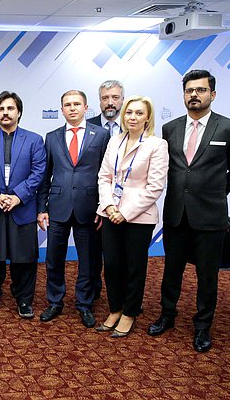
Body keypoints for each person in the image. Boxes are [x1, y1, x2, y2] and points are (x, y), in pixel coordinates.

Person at [148, 69, 230, 352]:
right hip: (176, 214)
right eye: (189, 91)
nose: (194, 95)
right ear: (183, 95)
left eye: (200, 90)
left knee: (207, 276)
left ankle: (202, 327)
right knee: (171, 271)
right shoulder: (171, 128)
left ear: (212, 94)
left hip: (210, 216)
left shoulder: (229, 128)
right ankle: (167, 315)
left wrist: (213, 193)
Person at [96, 95, 168, 337]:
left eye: (138, 113)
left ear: (147, 117)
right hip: (110, 212)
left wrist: (124, 213)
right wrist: (108, 207)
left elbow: (154, 187)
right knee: (112, 266)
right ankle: (115, 308)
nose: (133, 117)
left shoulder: (157, 145)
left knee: (134, 266)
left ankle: (130, 312)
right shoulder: (114, 141)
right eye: (129, 112)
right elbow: (104, 177)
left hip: (138, 217)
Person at [36, 90, 109, 328]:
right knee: (53, 258)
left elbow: (106, 175)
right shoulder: (52, 136)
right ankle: (55, 302)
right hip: (57, 207)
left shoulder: (101, 135)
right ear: (62, 109)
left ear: (86, 107)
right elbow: (45, 176)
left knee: (88, 260)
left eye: (77, 104)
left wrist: (102, 207)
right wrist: (41, 207)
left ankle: (84, 304)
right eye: (67, 104)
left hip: (88, 208)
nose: (72, 108)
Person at [0, 91, 46, 318]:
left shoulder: (34, 139)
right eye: (1, 109)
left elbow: (38, 172)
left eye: (10, 108)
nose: (5, 113)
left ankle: (24, 300)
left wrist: (16, 196)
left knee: (24, 257)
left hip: (21, 207)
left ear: (19, 112)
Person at [86, 79, 125, 299]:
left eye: (114, 97)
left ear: (122, 100)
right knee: (93, 254)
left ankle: (125, 297)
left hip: (126, 206)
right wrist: (102, 205)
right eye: (105, 98)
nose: (110, 103)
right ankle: (92, 295)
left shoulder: (134, 127)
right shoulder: (86, 125)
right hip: (94, 204)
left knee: (123, 256)